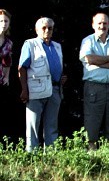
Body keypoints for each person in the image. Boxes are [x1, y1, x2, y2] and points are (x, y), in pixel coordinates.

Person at [18, 17, 66, 151]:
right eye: (44, 28)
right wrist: (24, 90)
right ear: (37, 30)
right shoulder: (30, 44)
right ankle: (31, 156)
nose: (47, 31)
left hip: (55, 89)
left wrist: (61, 77)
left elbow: (56, 67)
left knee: (52, 126)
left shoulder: (57, 46)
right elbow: (22, 68)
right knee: (33, 125)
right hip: (35, 90)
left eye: (50, 28)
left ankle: (51, 156)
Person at [79, 12, 109, 147]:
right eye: (99, 23)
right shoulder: (87, 41)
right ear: (93, 25)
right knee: (92, 119)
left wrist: (99, 63)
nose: (102, 26)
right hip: (94, 86)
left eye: (105, 23)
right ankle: (91, 150)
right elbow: (90, 59)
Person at [0, 9, 13, 142]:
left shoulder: (8, 42)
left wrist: (7, 77)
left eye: (6, 21)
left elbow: (8, 61)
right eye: (1, 21)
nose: (4, 23)